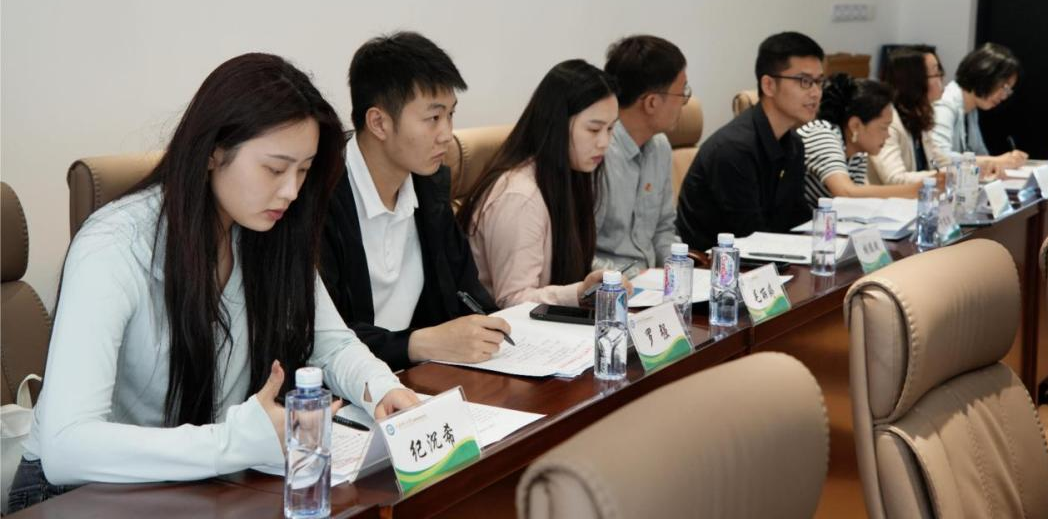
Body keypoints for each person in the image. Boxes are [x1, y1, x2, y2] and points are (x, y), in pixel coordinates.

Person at [9, 54, 418, 511]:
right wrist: (234, 443)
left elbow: (330, 343)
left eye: (303, 170)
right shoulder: (113, 244)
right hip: (77, 495)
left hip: (201, 482)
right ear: (212, 152)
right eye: (275, 169)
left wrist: (382, 389)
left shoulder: (270, 230)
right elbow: (67, 446)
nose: (291, 191)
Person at [320, 32, 510, 370]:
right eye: (433, 118)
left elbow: (467, 293)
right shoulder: (322, 198)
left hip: (421, 380)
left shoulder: (430, 186)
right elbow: (322, 338)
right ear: (379, 122)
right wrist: (417, 344)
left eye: (450, 115)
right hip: (349, 389)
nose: (447, 134)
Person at [457, 59, 632, 307]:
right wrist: (579, 293)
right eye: (594, 130)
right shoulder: (520, 196)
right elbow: (512, 300)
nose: (605, 142)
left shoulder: (570, 174)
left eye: (611, 129)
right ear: (557, 125)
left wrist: (598, 281)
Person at [676, 31, 821, 251]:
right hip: (713, 264)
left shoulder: (793, 144)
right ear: (768, 85)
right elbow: (749, 234)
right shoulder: (733, 148)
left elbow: (797, 216)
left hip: (768, 257)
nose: (816, 93)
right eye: (805, 81)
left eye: (819, 82)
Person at [594, 35, 687, 272]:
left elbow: (664, 229)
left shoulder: (660, 147)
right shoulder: (597, 153)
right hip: (608, 285)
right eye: (681, 93)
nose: (685, 102)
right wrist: (634, 278)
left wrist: (678, 273)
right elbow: (578, 253)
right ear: (651, 102)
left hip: (652, 283)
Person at [799, 74, 921, 205]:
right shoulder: (821, 133)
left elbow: (853, 203)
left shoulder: (857, 153)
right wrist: (915, 190)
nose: (888, 135)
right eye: (884, 127)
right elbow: (846, 193)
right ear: (855, 125)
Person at [931, 42, 1026, 171]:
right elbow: (938, 159)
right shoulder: (945, 104)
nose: (1004, 96)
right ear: (985, 74)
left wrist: (1004, 161)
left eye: (1009, 90)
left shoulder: (971, 109)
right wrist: (995, 161)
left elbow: (981, 154)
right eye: (1004, 87)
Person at [868, 47, 945, 184]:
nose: (942, 78)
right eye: (936, 73)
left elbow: (938, 161)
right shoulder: (888, 121)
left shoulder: (917, 114)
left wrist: (971, 164)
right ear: (915, 81)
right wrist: (942, 175)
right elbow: (895, 179)